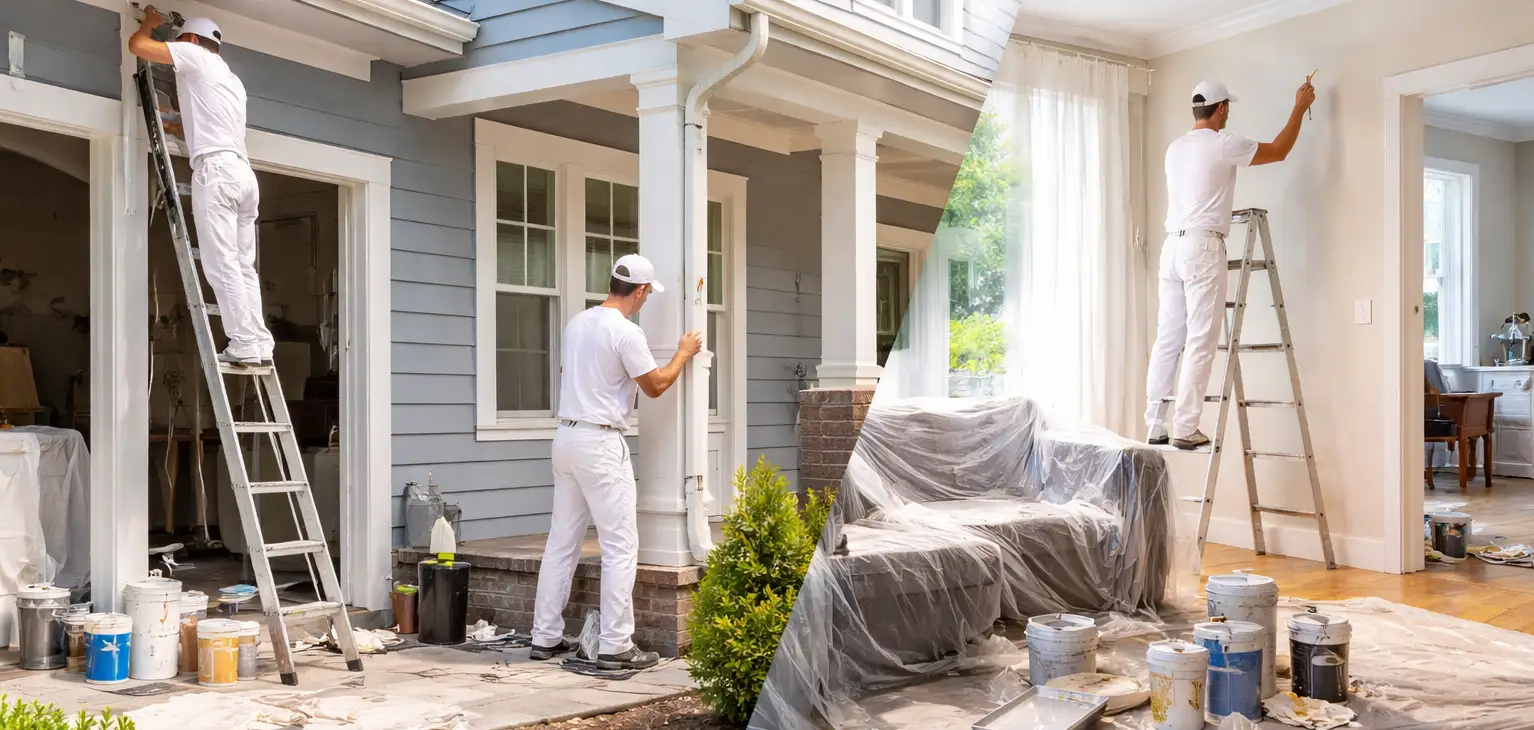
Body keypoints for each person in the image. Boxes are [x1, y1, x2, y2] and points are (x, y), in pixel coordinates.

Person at [529, 254, 703, 670]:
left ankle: (545, 637)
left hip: (566, 436)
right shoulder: (626, 333)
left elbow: (567, 370)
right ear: (640, 291)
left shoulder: (577, 323)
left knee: (561, 542)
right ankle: (616, 645)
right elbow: (656, 385)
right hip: (601, 443)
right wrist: (683, 352)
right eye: (646, 294)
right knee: (620, 545)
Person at [1145, 78, 1316, 450]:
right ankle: (1185, 426)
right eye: (1228, 109)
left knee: (1169, 336)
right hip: (1203, 248)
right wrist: (1300, 106)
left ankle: (1155, 423)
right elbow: (1280, 150)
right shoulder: (1224, 144)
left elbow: (1198, 191)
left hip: (1171, 247)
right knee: (1202, 338)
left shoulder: (1175, 149)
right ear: (1221, 109)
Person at [130, 7, 274, 367]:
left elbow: (137, 46)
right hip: (242, 173)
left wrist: (149, 23)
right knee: (243, 267)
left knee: (219, 263)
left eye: (180, 43)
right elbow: (204, 119)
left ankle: (242, 341)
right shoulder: (232, 81)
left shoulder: (193, 54)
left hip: (218, 173)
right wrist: (179, 130)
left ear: (192, 41)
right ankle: (258, 341)